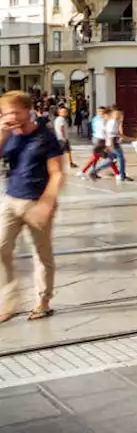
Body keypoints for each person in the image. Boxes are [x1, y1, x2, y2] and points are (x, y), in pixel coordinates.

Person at [0, 91, 64, 323]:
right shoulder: (9, 135)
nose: (12, 116)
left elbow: (57, 174)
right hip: (10, 199)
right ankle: (9, 301)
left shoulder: (46, 137)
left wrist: (47, 203)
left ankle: (43, 301)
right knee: (0, 248)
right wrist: (2, 131)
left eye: (16, 111)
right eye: (7, 112)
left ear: (29, 110)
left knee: (41, 254)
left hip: (38, 202)